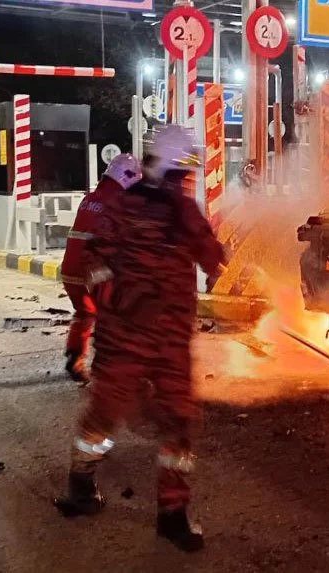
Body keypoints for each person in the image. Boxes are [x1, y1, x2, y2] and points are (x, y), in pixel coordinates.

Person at [55, 126, 225, 553]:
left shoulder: (169, 210)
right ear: (168, 169)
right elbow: (96, 268)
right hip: (131, 340)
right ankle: (85, 488)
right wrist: (131, 303)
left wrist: (213, 258)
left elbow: (211, 254)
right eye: (182, 172)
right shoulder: (132, 209)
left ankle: (170, 514)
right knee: (109, 419)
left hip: (159, 342)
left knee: (175, 424)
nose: (185, 181)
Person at [60, 154, 142, 384]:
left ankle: (75, 357)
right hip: (95, 270)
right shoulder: (116, 202)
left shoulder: (90, 199)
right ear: (127, 177)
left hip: (70, 269)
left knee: (85, 312)